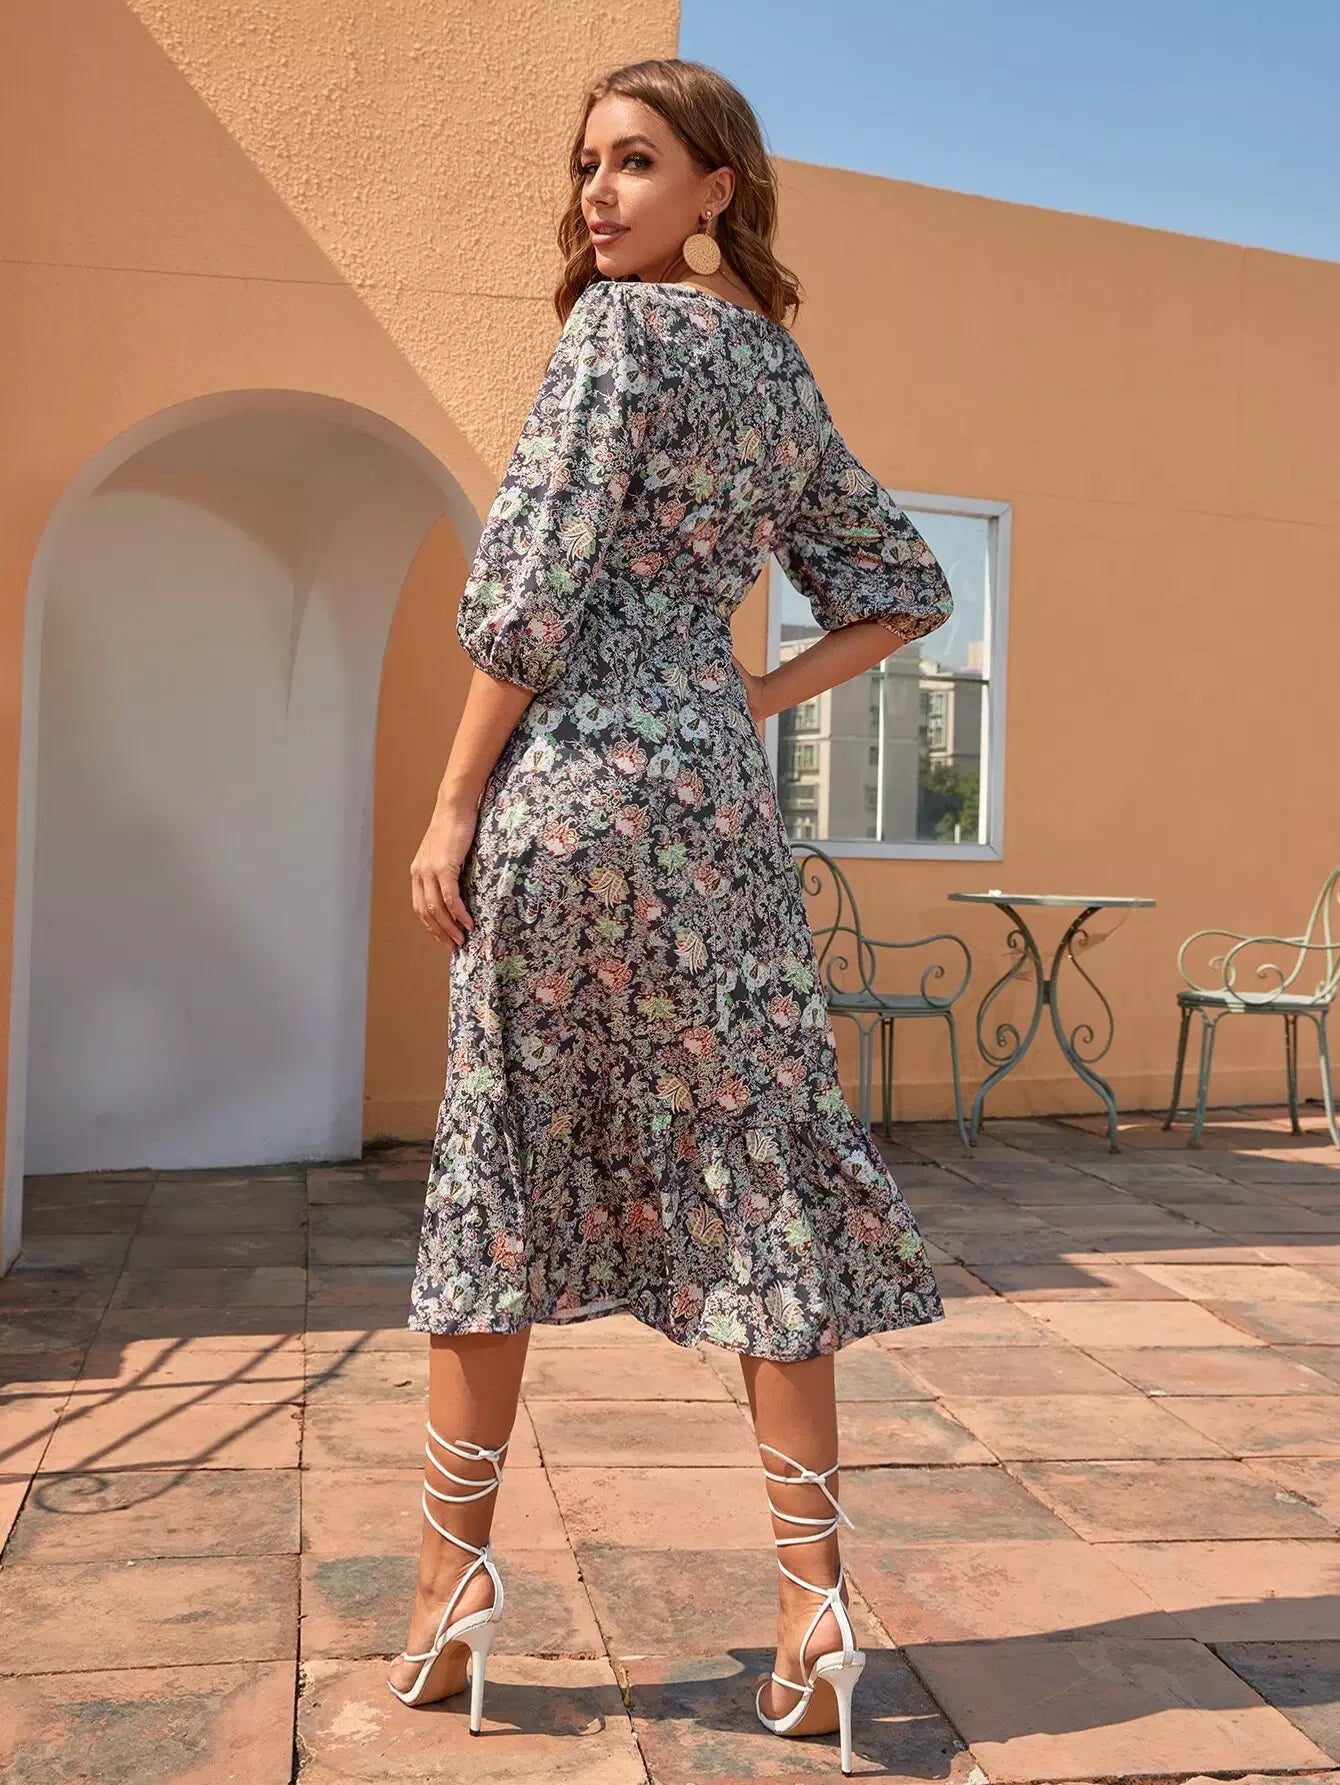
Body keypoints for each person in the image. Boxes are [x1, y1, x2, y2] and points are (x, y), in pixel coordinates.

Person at [388, 55, 954, 1777]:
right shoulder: (776, 370)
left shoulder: (615, 339)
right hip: (716, 815)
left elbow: (529, 590)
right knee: (760, 1171)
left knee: (500, 1166)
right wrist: (748, 696)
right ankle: (814, 1605)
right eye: (588, 163)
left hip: (570, 797)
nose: (598, 192)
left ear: (718, 188)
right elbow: (907, 584)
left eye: (637, 162)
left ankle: (448, 1591)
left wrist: (453, 798)